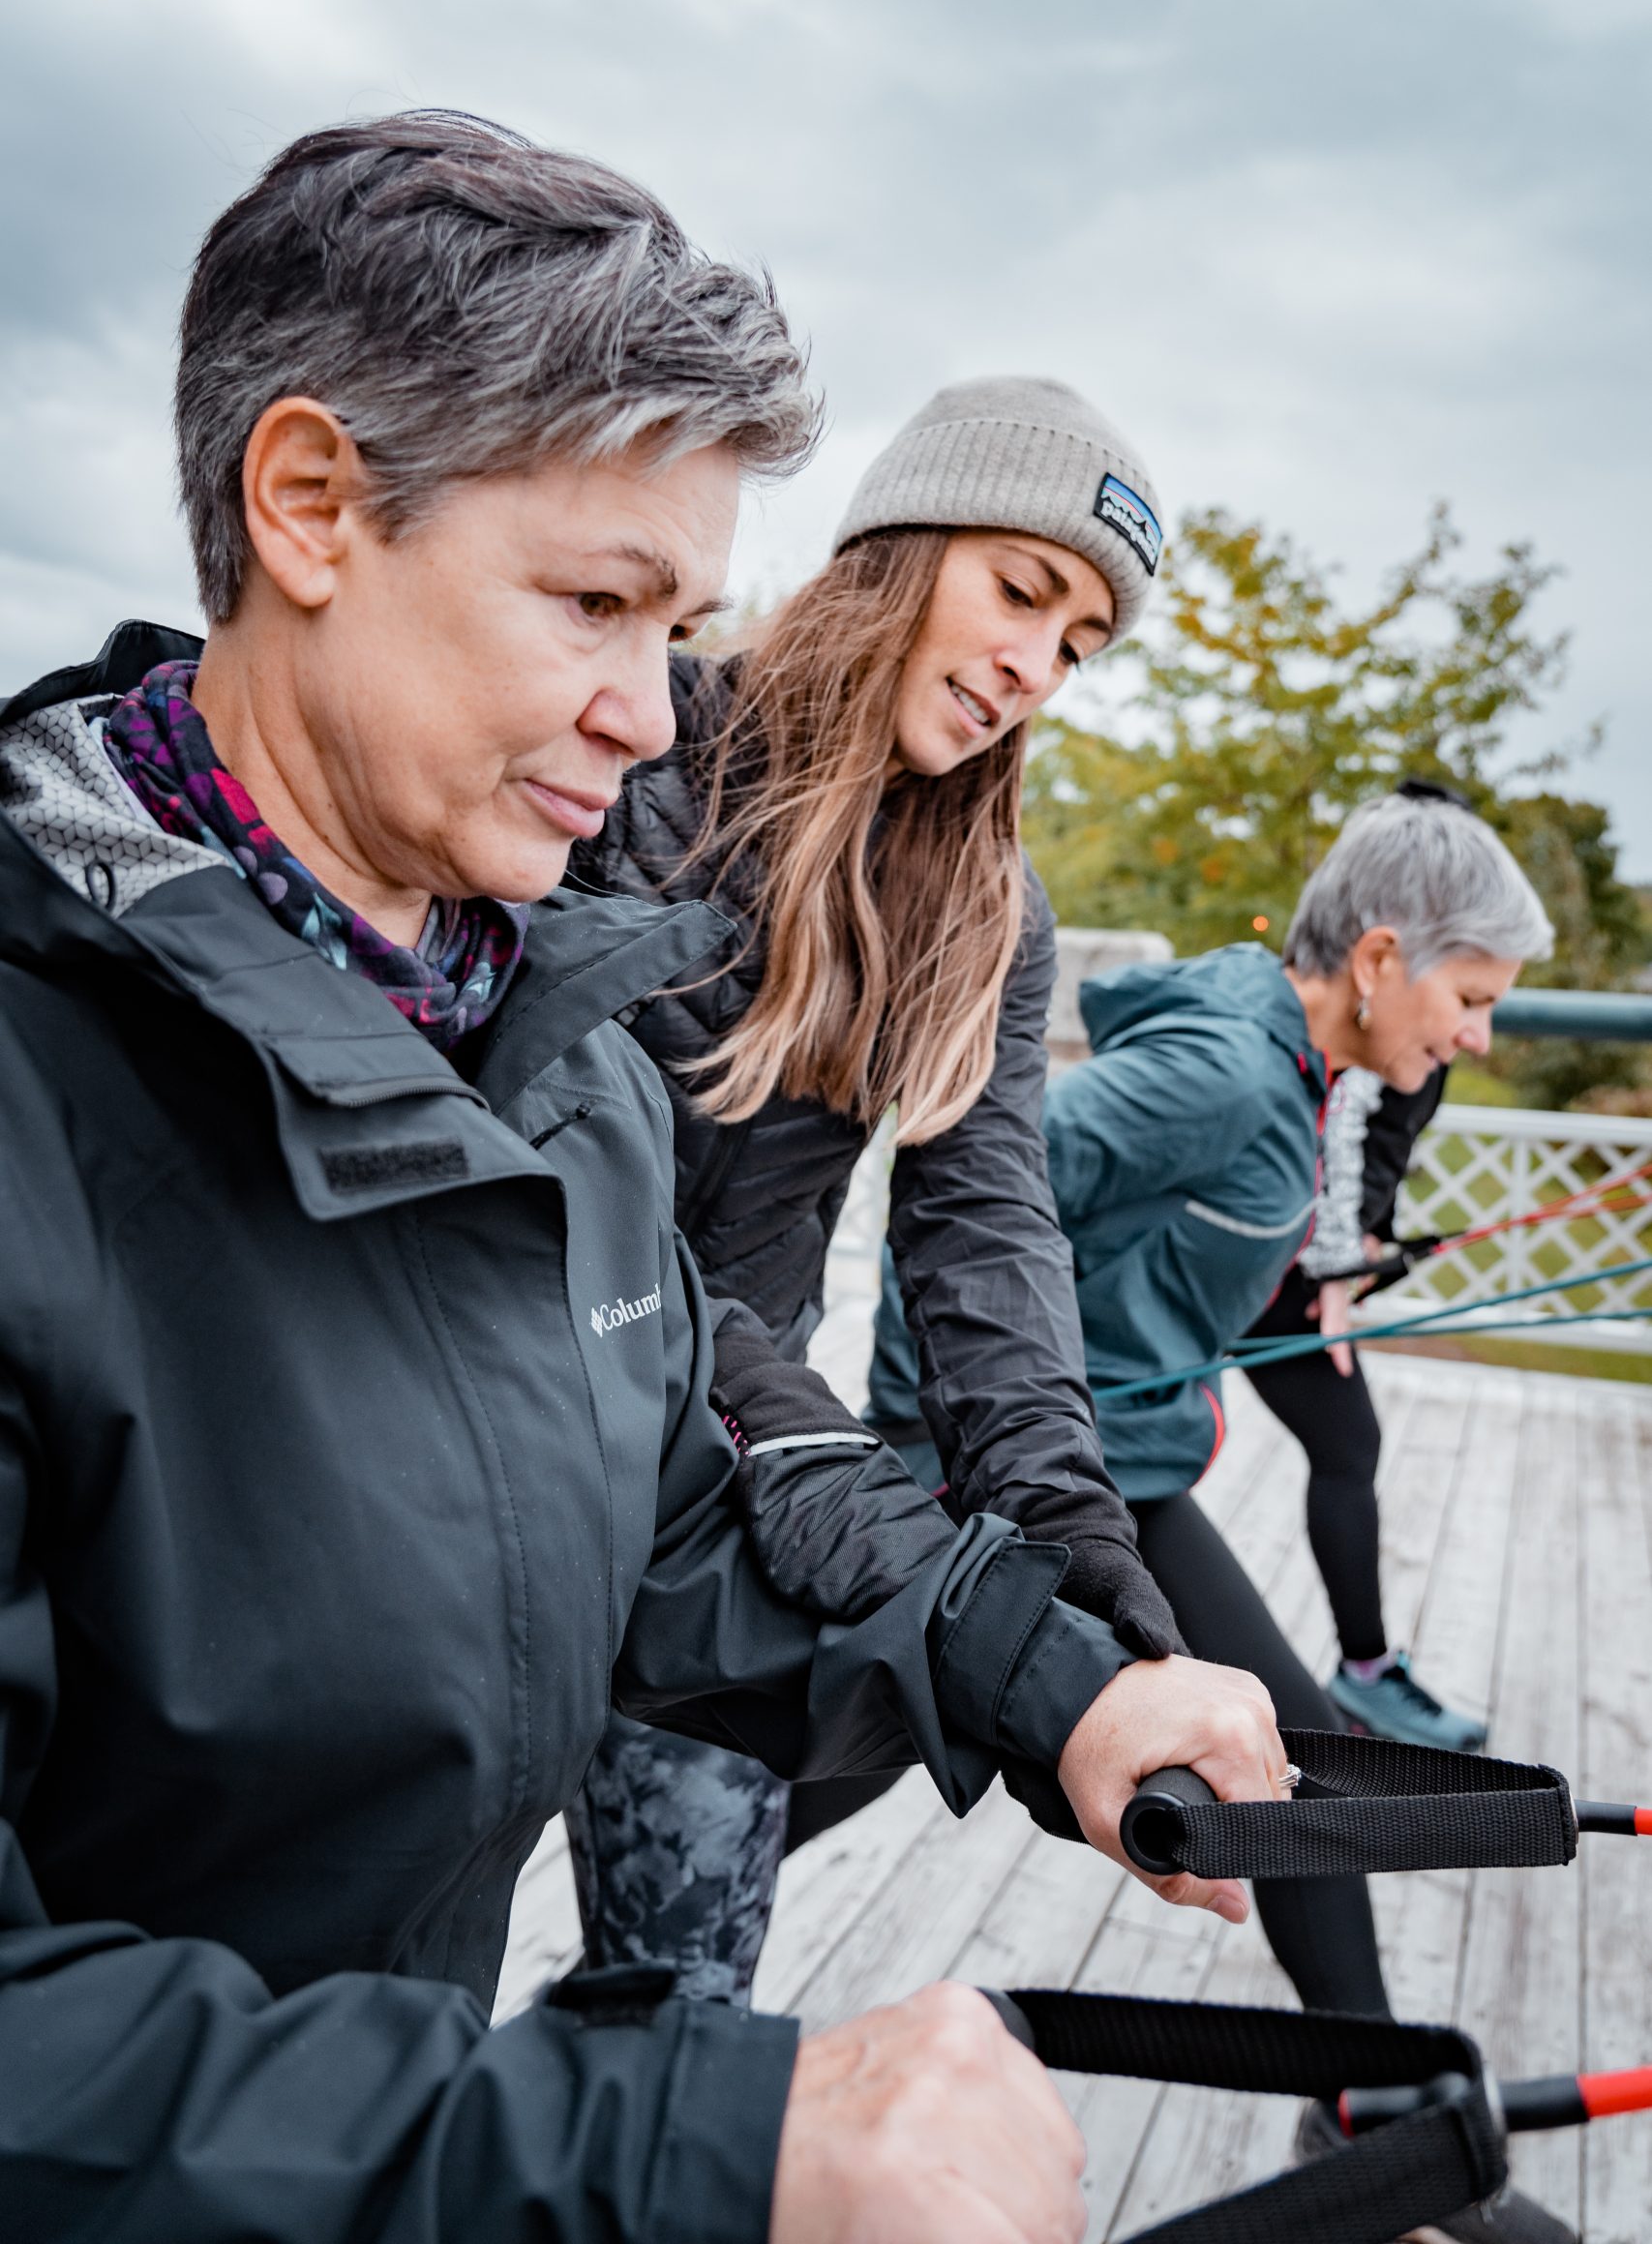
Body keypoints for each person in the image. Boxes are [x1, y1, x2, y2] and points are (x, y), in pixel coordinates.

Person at [0, 112, 1289, 2244]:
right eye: (597, 601)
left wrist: (1063, 1656)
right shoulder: (145, 1072)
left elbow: (697, 1434)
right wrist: (677, 2139)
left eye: (673, 614)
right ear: (309, 503)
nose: (631, 710)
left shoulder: (544, 1045)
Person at [564, 375, 1199, 2003]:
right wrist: (836, 1480)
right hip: (498, 1426)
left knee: (679, 2022)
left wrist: (1068, 1526)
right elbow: (590, 1225)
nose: (1031, 666)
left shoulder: (986, 909)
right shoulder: (624, 761)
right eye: (1017, 591)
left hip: (703, 1528)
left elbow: (986, 1231)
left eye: (1076, 643)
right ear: (896, 551)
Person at [871, 793, 1568, 2243]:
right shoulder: (1222, 1074)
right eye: (1470, 998)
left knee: (846, 1738)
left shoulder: (1294, 1071)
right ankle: (1372, 2109)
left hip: (1109, 1466)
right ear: (1377, 958)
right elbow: (970, 1198)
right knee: (1284, 1754)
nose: (1479, 1039)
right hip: (1045, 1477)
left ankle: (1364, 2100)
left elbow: (1144, 1244)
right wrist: (914, 1448)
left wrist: (1280, 1295)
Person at [1242, 781, 1483, 1750]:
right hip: (1270, 1264)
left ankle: (1366, 1667)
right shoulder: (1347, 994)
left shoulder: (1434, 1008)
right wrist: (1339, 1267)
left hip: (1312, 1259)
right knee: (1344, 1446)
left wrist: (1369, 1249)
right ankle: (1365, 1671)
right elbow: (1330, 1119)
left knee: (1346, 1446)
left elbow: (1375, 1155)